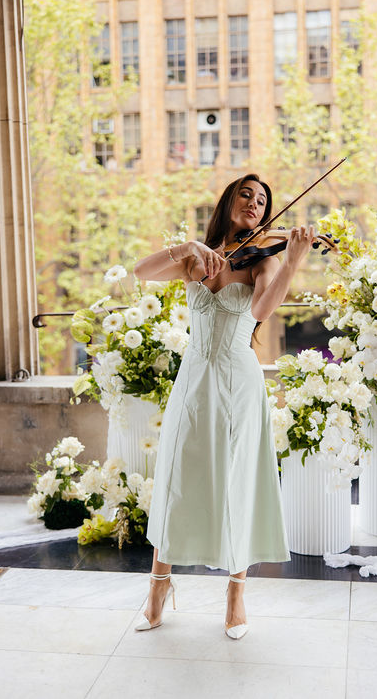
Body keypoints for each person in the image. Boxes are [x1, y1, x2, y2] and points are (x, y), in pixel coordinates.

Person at [133, 174, 316, 639]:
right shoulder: (198, 258)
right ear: (229, 201)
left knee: (237, 480)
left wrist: (292, 260)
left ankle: (236, 592)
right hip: (194, 378)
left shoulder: (263, 261)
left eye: (262, 201)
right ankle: (158, 586)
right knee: (176, 477)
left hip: (238, 380)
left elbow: (260, 311)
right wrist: (188, 245)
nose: (255, 205)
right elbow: (142, 272)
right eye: (246, 195)